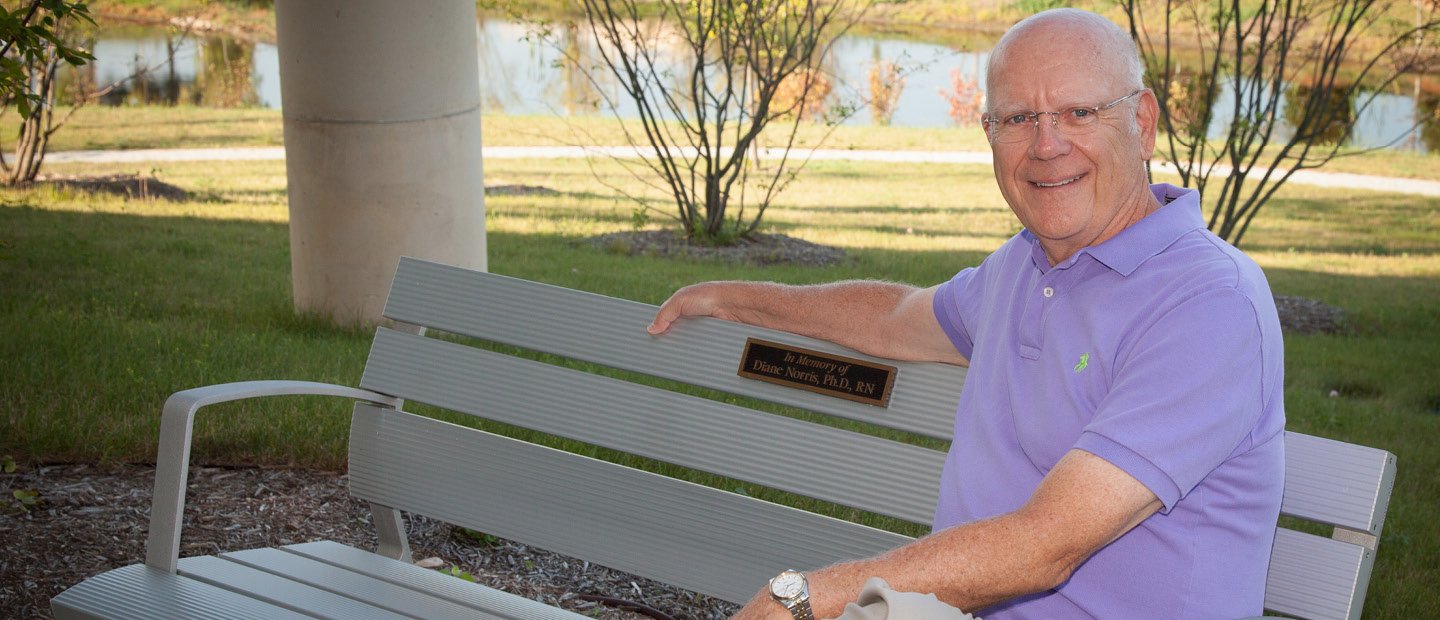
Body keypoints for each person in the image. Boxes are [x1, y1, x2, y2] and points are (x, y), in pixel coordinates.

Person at [646, 7, 1286, 620]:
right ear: (989, 135)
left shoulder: (1208, 303)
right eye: (1018, 119)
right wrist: (732, 298)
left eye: (1078, 112)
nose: (1047, 145)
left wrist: (804, 598)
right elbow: (893, 317)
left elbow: (1045, 546)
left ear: (1142, 124)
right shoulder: (1024, 267)